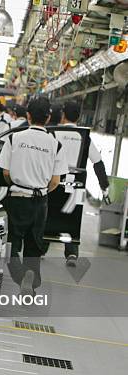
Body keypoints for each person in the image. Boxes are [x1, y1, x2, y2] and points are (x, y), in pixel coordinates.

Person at [0, 97, 69, 296]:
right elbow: (55, 181)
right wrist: (41, 190)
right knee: (34, 245)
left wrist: (19, 184)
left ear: (28, 116)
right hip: (40, 202)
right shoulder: (56, 145)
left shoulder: (14, 139)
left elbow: (5, 172)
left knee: (11, 244)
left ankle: (20, 275)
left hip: (18, 198)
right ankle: (30, 275)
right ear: (48, 118)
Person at [55, 101, 111, 266]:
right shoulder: (85, 136)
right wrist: (104, 186)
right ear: (78, 117)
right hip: (77, 184)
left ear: (63, 115)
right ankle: (71, 253)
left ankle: (42, 246)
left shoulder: (56, 133)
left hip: (56, 179)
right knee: (73, 217)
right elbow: (97, 162)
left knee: (50, 212)